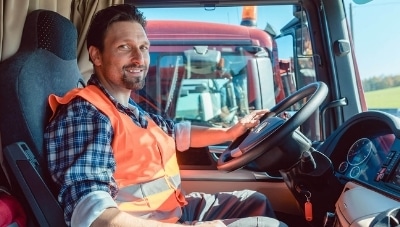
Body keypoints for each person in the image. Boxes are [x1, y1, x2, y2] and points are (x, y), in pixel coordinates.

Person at [44, 4, 286, 227]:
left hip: (170, 212)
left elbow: (175, 132)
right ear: (96, 56)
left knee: (255, 201)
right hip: (145, 221)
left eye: (143, 47)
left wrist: (229, 131)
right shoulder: (86, 113)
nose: (139, 58)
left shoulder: (127, 109)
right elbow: (93, 214)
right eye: (124, 47)